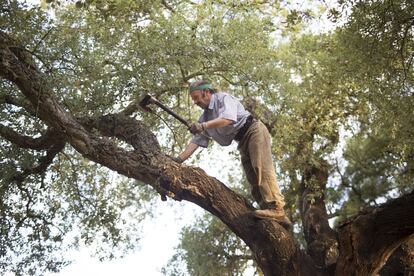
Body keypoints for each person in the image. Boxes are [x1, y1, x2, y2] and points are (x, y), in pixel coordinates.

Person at [173, 80, 291, 226]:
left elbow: (228, 119)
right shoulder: (204, 118)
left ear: (207, 92)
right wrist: (177, 160)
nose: (195, 102)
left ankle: (277, 208)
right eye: (194, 99)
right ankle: (274, 216)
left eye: (197, 97)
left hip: (254, 131)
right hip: (241, 141)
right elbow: (195, 142)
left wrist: (203, 126)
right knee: (253, 180)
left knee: (261, 167)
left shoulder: (223, 98)